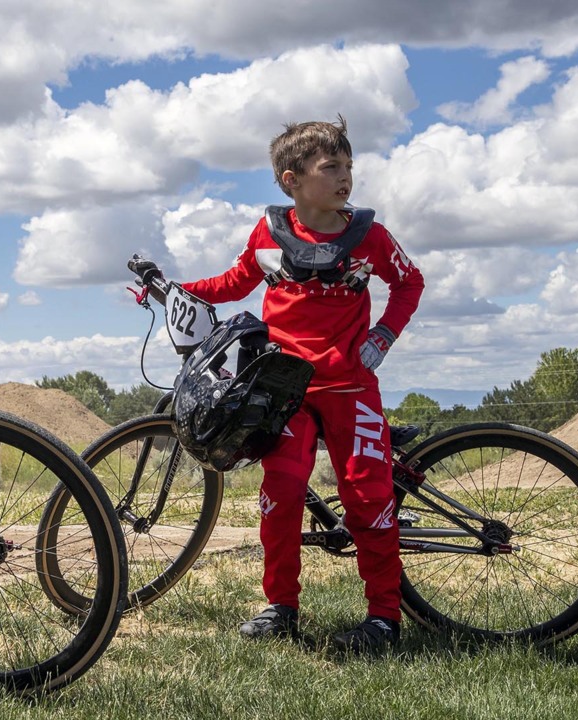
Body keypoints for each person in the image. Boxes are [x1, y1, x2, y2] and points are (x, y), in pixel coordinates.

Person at [179, 116, 425, 652]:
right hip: (284, 390)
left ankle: (384, 618)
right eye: (331, 166)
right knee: (282, 492)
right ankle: (281, 607)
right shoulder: (269, 233)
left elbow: (409, 283)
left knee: (367, 497)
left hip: (350, 388)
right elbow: (233, 282)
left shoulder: (372, 237)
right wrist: (180, 289)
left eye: (349, 166)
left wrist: (381, 336)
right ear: (291, 179)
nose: (345, 178)